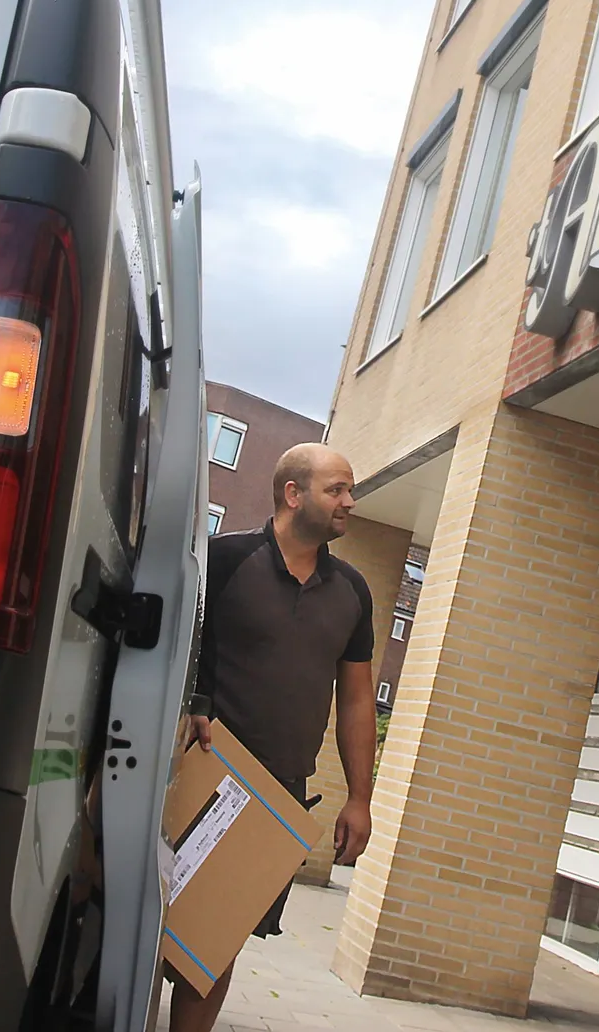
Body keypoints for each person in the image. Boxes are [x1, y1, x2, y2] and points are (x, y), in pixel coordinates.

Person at [168, 442, 378, 1032]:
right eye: (337, 489)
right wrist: (195, 700)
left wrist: (360, 799)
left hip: (279, 793)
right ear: (293, 493)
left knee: (216, 946)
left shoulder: (353, 592)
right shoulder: (224, 558)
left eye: (349, 489)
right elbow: (177, 648)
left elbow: (358, 699)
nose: (349, 502)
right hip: (199, 773)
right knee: (151, 922)